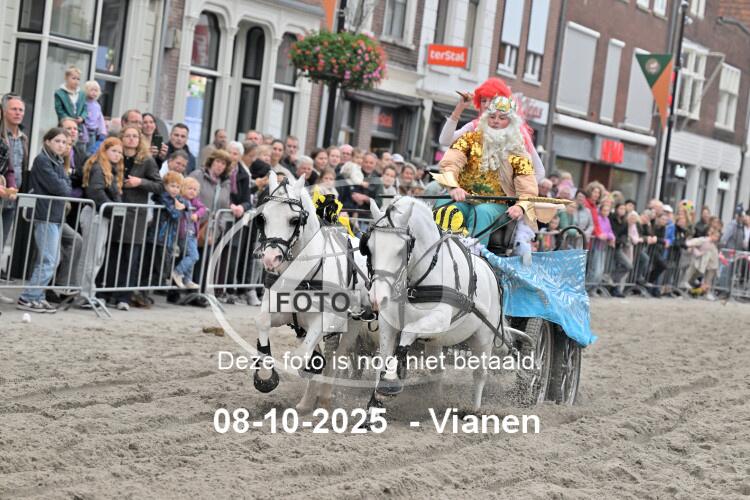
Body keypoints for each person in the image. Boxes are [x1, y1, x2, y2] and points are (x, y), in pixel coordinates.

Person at [434, 95, 540, 250]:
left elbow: (528, 187)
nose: (496, 121)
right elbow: (450, 162)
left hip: (496, 205)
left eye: (502, 118)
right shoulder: (470, 139)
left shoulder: (518, 151)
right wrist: (453, 187)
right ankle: (436, 251)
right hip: (464, 198)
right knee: (445, 206)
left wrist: (521, 206)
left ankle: (474, 255)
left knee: (481, 213)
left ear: (511, 122)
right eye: (492, 117)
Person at [439, 77, 546, 183]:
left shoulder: (517, 133)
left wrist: (515, 190)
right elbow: (445, 141)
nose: (486, 105)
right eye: (483, 100)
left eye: (491, 100)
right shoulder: (475, 126)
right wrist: (459, 108)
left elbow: (540, 171)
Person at [16, 128, 72, 313]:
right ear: (47, 141)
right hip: (45, 214)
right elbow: (60, 187)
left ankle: (37, 295)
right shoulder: (42, 160)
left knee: (52, 259)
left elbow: (67, 186)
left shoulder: (58, 161)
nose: (61, 145)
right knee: (49, 259)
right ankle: (28, 297)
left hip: (54, 215)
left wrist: (64, 185)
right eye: (58, 141)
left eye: (64, 142)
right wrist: (64, 186)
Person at [106, 126, 162, 310]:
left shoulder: (146, 160)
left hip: (135, 214)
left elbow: (159, 185)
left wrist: (140, 182)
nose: (131, 139)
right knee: (112, 254)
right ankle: (106, 294)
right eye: (128, 136)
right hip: (115, 209)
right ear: (121, 138)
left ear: (140, 139)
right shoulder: (116, 155)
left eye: (135, 136)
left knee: (130, 257)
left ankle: (124, 297)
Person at [79, 137, 124, 298]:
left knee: (96, 256)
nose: (117, 155)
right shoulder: (99, 167)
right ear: (105, 151)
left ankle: (88, 292)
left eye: (120, 152)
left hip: (102, 214)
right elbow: (96, 192)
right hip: (95, 214)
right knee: (91, 256)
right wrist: (113, 208)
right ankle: (85, 293)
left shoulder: (110, 169)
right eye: (114, 151)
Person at [172, 176, 205, 289]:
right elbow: (182, 206)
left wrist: (197, 214)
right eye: (189, 188)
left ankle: (187, 279)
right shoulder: (181, 199)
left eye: (195, 190)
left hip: (193, 233)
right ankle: (177, 272)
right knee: (194, 256)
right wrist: (187, 207)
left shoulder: (195, 201)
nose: (192, 191)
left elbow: (202, 208)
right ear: (183, 189)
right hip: (184, 233)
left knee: (190, 256)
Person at [681, 228, 722, 300]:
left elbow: (714, 254)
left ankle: (705, 292)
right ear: (711, 235)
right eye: (715, 236)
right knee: (692, 275)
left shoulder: (715, 245)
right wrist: (690, 246)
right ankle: (684, 289)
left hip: (710, 265)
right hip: (699, 262)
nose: (716, 238)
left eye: (718, 237)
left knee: (707, 279)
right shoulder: (704, 240)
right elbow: (693, 242)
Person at [54, 67, 86, 134]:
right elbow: (59, 109)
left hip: (78, 126)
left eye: (78, 79)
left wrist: (82, 118)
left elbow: (85, 108)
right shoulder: (59, 93)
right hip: (65, 126)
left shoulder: (82, 94)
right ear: (66, 78)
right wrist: (68, 118)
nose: (76, 81)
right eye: (73, 78)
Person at [81, 80, 107, 155]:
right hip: (84, 130)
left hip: (93, 132)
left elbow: (100, 119)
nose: (94, 92)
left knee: (91, 151)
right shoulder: (83, 103)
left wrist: (102, 131)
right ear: (86, 90)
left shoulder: (97, 105)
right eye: (92, 90)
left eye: (96, 90)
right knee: (82, 150)